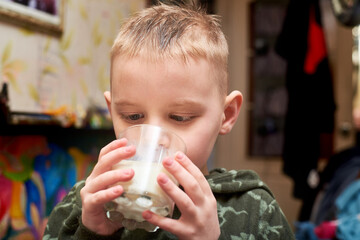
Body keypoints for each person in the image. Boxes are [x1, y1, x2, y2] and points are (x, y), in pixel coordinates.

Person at [43, 2, 295, 239]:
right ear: (112, 112)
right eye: (133, 117)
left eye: (180, 117)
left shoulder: (257, 211)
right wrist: (92, 234)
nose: (155, 137)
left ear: (226, 115)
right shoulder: (82, 205)